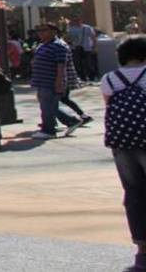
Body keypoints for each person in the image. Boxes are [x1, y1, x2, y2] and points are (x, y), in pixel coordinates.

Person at [101, 36, 146, 272]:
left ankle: (142, 253)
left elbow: (110, 107)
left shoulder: (109, 79)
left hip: (123, 143)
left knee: (134, 194)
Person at [31, 23, 82, 140]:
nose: (40, 33)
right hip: (41, 81)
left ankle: (48, 131)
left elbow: (61, 66)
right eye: (39, 31)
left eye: (44, 30)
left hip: (51, 81)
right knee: (49, 105)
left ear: (54, 32)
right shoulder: (43, 45)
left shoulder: (58, 46)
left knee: (47, 107)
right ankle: (71, 121)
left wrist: (59, 83)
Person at [58, 43, 94, 126]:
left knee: (53, 101)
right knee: (64, 99)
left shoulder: (59, 45)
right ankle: (84, 116)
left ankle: (72, 120)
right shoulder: (63, 45)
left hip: (63, 78)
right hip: (67, 78)